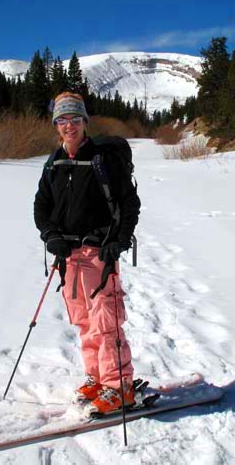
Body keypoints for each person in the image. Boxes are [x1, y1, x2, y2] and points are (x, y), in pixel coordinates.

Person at [33, 92, 140, 415]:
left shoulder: (102, 159)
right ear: (55, 125)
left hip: (99, 253)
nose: (69, 126)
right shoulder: (54, 162)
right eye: (62, 120)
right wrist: (50, 235)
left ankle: (119, 386)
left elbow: (128, 204)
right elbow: (42, 206)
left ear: (85, 122)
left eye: (75, 119)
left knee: (106, 320)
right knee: (82, 321)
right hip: (68, 256)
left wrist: (118, 242)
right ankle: (96, 377)